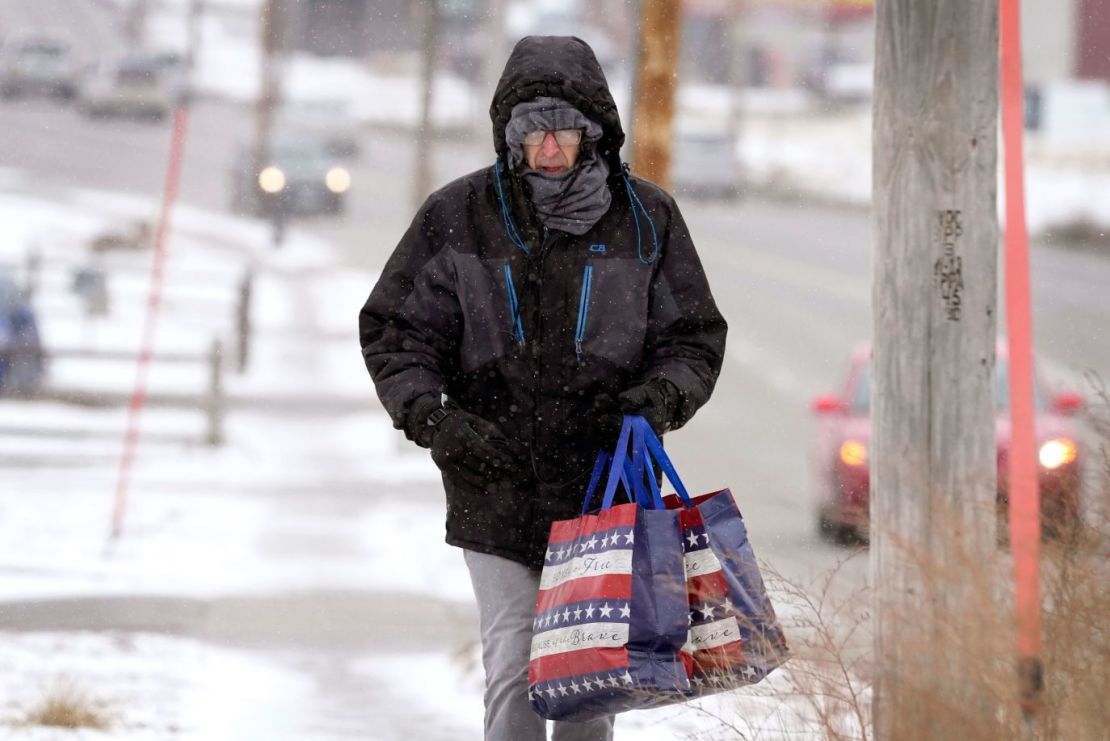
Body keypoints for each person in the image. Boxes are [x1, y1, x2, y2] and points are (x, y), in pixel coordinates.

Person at [359, 35, 726, 741]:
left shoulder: (648, 220)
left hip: (602, 487)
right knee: (520, 670)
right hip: (491, 481)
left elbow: (693, 337)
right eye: (531, 131)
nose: (548, 147)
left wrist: (656, 398)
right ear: (509, 135)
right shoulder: (458, 215)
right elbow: (395, 329)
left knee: (588, 686)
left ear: (593, 133)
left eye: (562, 129)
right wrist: (436, 419)